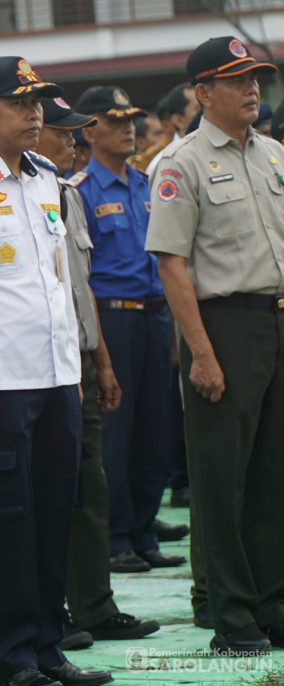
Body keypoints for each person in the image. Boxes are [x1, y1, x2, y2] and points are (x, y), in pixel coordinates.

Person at [0, 56, 111, 686]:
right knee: (8, 523)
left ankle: (48, 647)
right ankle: (11, 659)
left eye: (39, 103)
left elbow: (57, 283)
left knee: (55, 512)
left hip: (55, 377)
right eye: (21, 103)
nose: (36, 114)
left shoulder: (44, 178)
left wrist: (74, 365)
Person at [145, 36, 284, 656]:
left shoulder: (274, 155)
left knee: (273, 475)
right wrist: (200, 352)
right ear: (203, 93)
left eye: (257, 77)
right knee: (221, 477)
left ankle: (272, 601)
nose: (253, 88)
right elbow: (172, 266)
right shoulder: (182, 163)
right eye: (237, 80)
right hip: (223, 326)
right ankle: (231, 614)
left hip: (276, 319)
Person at [35, 95, 161, 645]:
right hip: (43, 360)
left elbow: (77, 284)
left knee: (107, 472)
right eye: (63, 133)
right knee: (56, 488)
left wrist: (100, 358)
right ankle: (48, 613)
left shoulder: (71, 195)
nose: (73, 142)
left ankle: (95, 602)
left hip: (94, 345)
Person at [72, 86, 185, 573]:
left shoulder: (145, 183)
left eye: (131, 121)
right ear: (90, 129)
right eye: (115, 121)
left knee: (153, 429)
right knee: (115, 433)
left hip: (154, 313)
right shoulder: (79, 190)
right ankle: (116, 537)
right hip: (112, 316)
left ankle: (143, 530)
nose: (128, 130)